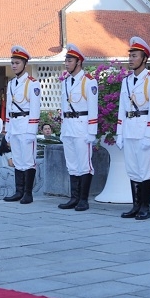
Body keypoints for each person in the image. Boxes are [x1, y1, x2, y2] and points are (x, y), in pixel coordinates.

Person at [117, 37, 150, 220]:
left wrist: (149, 135)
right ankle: (135, 205)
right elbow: (122, 108)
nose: (131, 59)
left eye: (135, 56)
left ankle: (145, 206)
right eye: (130, 56)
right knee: (133, 169)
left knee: (146, 170)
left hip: (144, 128)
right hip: (129, 128)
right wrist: (119, 132)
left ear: (144, 59)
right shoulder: (126, 81)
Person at [58, 43, 99, 212]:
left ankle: (83, 199)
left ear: (78, 62)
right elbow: (63, 106)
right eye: (66, 60)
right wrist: (62, 129)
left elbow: (93, 107)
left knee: (84, 164)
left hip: (82, 126)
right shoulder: (66, 81)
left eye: (70, 60)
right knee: (72, 164)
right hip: (68, 126)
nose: (66, 63)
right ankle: (73, 198)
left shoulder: (89, 81)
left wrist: (92, 131)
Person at [3, 45, 41, 204]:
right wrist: (8, 129)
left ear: (25, 64)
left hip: (26, 124)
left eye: (17, 63)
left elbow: (34, 109)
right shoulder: (11, 84)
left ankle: (28, 193)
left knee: (28, 160)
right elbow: (9, 108)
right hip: (15, 124)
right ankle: (18, 191)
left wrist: (32, 131)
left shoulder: (33, 83)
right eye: (12, 62)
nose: (14, 65)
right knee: (17, 159)